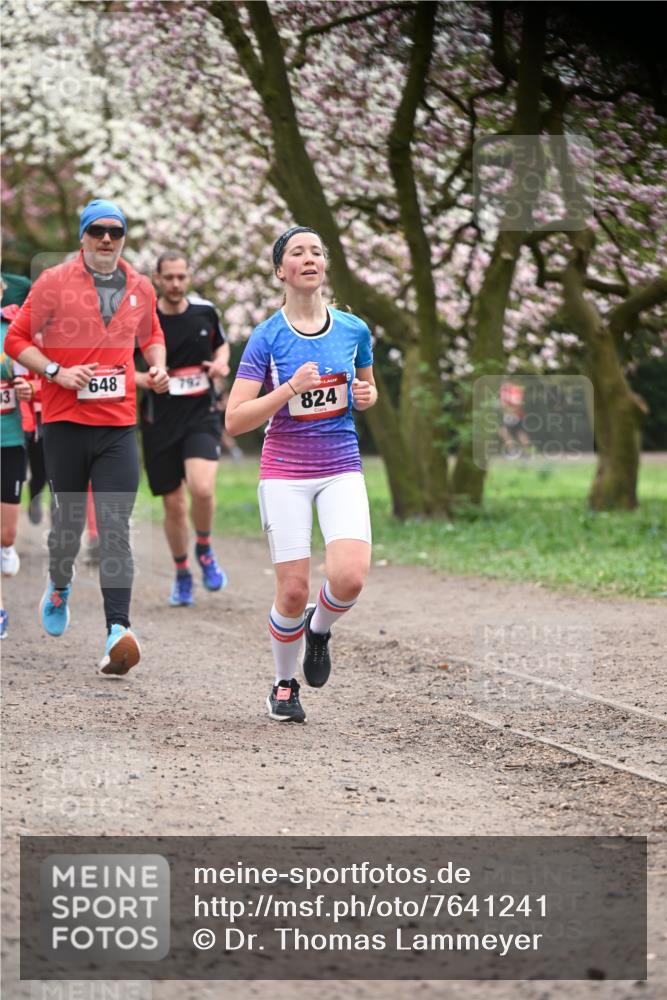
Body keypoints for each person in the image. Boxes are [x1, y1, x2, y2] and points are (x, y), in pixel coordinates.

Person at [5, 198, 169, 672]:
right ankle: (59, 584)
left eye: (114, 232)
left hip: (118, 425)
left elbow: (151, 335)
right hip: (64, 424)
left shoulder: (139, 286)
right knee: (69, 527)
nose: (105, 240)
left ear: (123, 238)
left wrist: (156, 367)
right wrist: (57, 371)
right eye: (97, 231)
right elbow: (17, 340)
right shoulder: (54, 282)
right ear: (83, 236)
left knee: (116, 526)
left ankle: (118, 630)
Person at [225, 226, 377, 723]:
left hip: (340, 465)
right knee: (292, 591)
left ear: (324, 265)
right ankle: (284, 684)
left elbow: (366, 387)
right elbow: (236, 418)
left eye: (316, 251)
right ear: (280, 271)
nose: (308, 258)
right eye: (297, 252)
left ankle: (320, 627)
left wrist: (365, 396)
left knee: (349, 578)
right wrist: (289, 387)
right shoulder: (267, 337)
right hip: (285, 470)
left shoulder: (353, 330)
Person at [137, 251, 230, 606]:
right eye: (169, 278)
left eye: (181, 277)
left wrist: (221, 364)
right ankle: (182, 574)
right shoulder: (144, 321)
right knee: (174, 505)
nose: (176, 284)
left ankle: (204, 549)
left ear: (188, 277)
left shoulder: (204, 312)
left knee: (203, 489)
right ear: (157, 279)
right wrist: (146, 379)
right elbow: (120, 367)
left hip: (201, 415)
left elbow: (221, 346)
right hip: (159, 423)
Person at [1, 300, 33, 638]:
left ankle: (6, 546)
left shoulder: (12, 329)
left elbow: (33, 377)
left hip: (9, 439)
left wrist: (28, 388)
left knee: (5, 533)